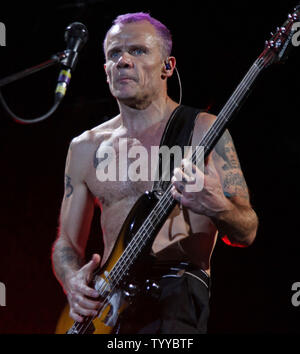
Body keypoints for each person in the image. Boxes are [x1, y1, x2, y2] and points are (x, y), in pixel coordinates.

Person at [52, 12, 258, 334]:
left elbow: (246, 231)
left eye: (137, 51)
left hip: (175, 299)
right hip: (110, 309)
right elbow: (67, 243)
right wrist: (72, 281)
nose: (123, 61)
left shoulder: (204, 131)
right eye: (113, 54)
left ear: (168, 67)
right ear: (105, 70)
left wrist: (216, 204)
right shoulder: (84, 147)